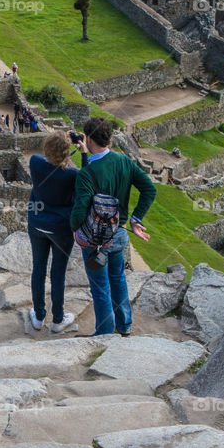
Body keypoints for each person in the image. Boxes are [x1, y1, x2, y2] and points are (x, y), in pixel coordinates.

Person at [69, 117, 156, 338]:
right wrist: (136, 219)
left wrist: (73, 229)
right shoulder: (124, 162)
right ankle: (125, 325)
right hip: (119, 233)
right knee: (118, 279)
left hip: (95, 239)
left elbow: (80, 211)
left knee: (100, 287)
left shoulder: (85, 175)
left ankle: (105, 333)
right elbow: (149, 189)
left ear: (88, 138)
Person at [26, 131, 84, 335]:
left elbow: (44, 158)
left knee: (38, 269)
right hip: (60, 228)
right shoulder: (72, 175)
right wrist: (83, 151)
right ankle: (58, 319)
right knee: (57, 273)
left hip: (37, 224)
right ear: (67, 153)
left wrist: (60, 142)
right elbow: (87, 178)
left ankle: (38, 317)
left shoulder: (35, 162)